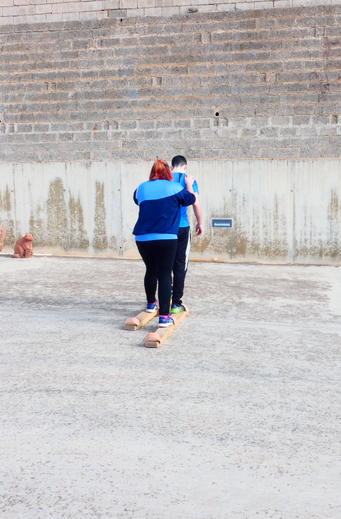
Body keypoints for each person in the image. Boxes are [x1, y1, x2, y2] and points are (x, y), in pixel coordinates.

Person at [133, 159, 196, 327]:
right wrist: (189, 184)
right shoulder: (175, 188)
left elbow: (137, 200)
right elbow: (190, 199)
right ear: (168, 173)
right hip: (166, 238)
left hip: (142, 238)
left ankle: (151, 305)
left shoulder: (141, 187)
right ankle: (164, 318)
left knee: (151, 270)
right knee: (165, 274)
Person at [170, 155, 204, 314]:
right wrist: (200, 222)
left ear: (172, 166)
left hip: (166, 228)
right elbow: (195, 202)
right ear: (185, 167)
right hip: (182, 227)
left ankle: (164, 296)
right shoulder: (189, 179)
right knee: (180, 264)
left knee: (164, 264)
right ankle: (176, 302)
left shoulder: (165, 178)